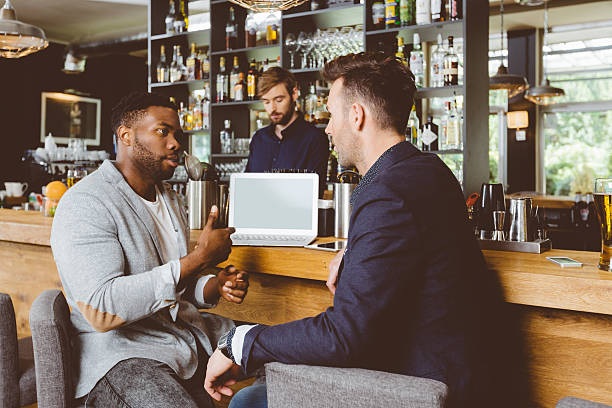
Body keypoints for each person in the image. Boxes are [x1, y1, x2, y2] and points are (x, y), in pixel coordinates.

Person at [204, 53, 505, 408]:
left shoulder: (387, 193)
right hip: (457, 372)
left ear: (357, 115)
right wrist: (353, 252)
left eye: (331, 114)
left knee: (248, 401)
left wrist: (240, 342)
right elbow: (415, 241)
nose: (328, 128)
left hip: (418, 385)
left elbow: (343, 337)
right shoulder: (428, 169)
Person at [50, 92, 249, 408]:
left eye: (177, 134)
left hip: (183, 342)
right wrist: (198, 258)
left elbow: (173, 287)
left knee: (283, 349)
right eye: (162, 131)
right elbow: (102, 309)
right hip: (123, 358)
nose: (175, 143)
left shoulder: (170, 198)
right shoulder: (86, 203)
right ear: (126, 136)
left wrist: (213, 285)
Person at [246, 66, 329, 195]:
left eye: (279, 100)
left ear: (294, 93)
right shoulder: (258, 139)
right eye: (266, 102)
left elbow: (313, 193)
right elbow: (248, 186)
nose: (272, 108)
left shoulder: (315, 139)